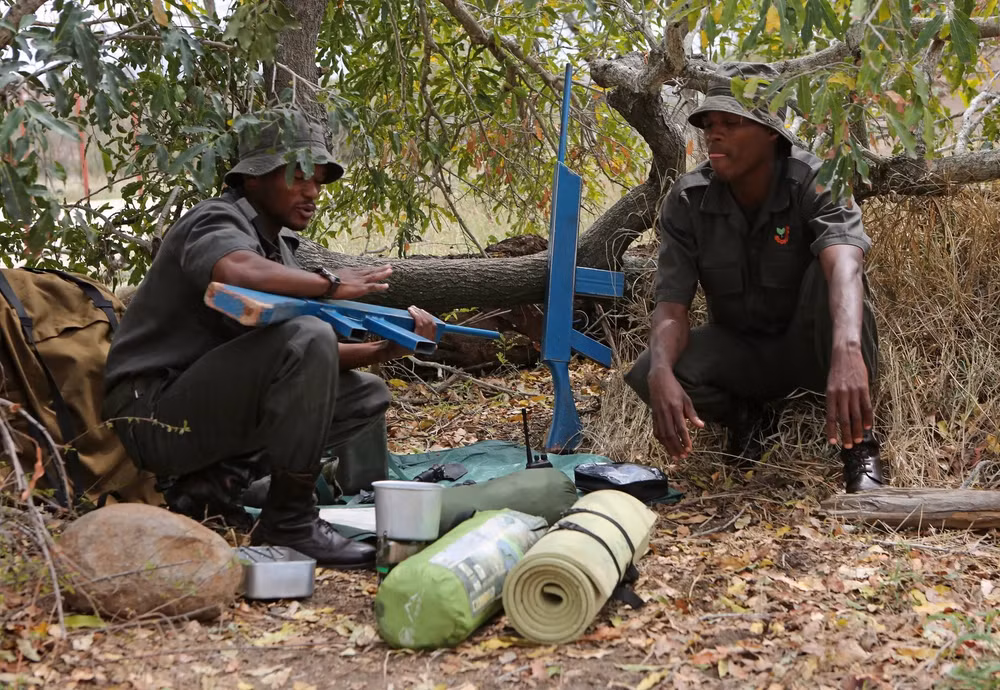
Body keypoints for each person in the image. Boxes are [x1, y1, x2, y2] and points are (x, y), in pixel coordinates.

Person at [102, 112, 436, 568]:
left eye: (318, 181)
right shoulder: (216, 219)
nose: (312, 192)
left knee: (365, 395)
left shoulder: (274, 247)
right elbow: (233, 269)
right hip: (155, 417)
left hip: (201, 410)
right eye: (298, 177)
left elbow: (304, 360)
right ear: (255, 179)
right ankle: (290, 518)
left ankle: (211, 489)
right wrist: (331, 283)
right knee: (310, 333)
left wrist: (385, 351)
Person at [624, 66, 887, 493]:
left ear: (770, 133)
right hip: (743, 354)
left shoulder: (816, 181)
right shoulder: (689, 199)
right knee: (648, 370)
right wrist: (659, 374)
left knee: (835, 277)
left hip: (811, 348)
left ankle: (860, 446)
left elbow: (845, 264)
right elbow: (672, 305)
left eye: (731, 123)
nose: (714, 134)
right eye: (709, 125)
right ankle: (748, 419)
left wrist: (847, 350)